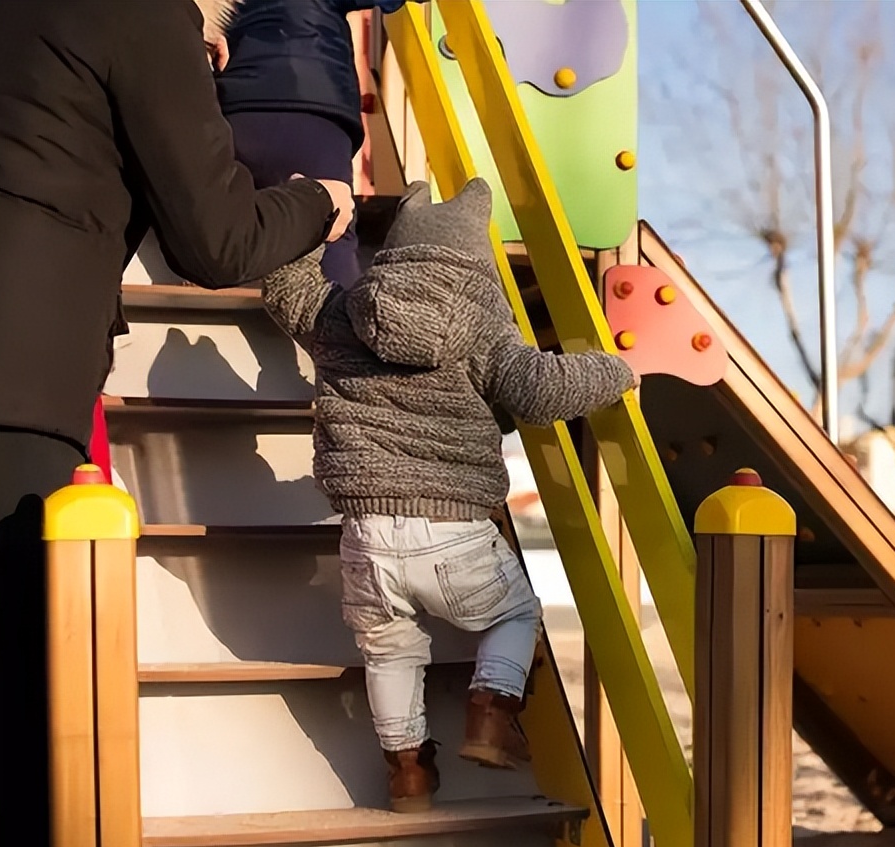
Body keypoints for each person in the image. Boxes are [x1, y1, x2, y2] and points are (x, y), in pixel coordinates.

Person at [0, 2, 355, 847]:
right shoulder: (140, 15)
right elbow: (219, 238)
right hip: (15, 377)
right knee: (21, 725)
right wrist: (318, 201)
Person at [261, 178, 637, 812]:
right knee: (515, 613)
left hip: (366, 535)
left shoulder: (344, 315)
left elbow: (286, 289)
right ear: (475, 261)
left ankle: (407, 773)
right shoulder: (483, 328)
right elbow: (542, 390)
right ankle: (490, 714)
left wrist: (315, 217)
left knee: (389, 652)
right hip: (454, 529)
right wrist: (619, 367)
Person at [214, 0, 413, 288]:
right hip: (314, 104)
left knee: (235, 225)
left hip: (235, 104)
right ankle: (334, 310)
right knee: (331, 229)